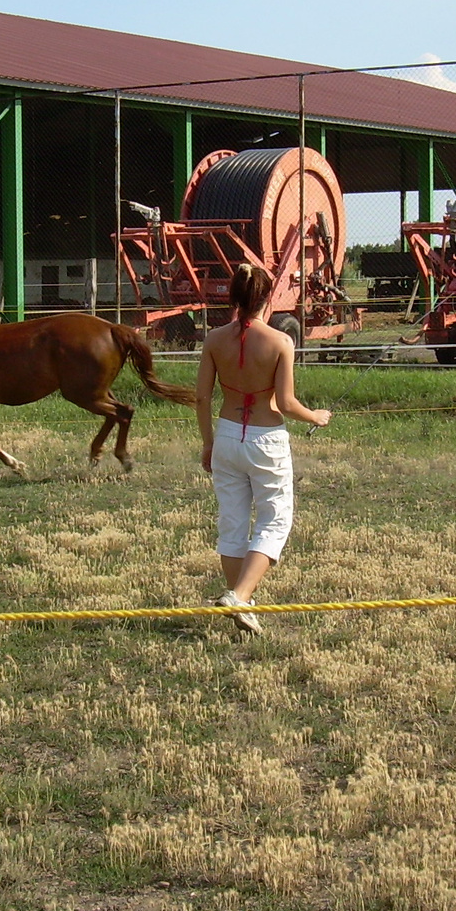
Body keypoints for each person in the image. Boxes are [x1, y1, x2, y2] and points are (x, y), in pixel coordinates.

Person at [195, 263, 331, 635]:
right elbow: (286, 403)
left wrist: (208, 442)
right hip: (265, 439)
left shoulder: (213, 340)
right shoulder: (281, 341)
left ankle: (242, 601)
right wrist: (315, 416)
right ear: (267, 297)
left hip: (226, 436)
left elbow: (202, 397)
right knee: (275, 518)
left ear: (234, 297)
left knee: (233, 521)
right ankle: (239, 595)